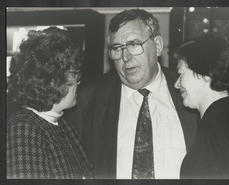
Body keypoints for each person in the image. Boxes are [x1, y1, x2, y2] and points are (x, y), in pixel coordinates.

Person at [64, 9, 199, 179]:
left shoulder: (190, 92)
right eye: (117, 48)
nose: (126, 57)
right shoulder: (88, 98)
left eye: (134, 45)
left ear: (157, 46)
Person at [7, 27, 95, 179]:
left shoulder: (68, 129)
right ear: (51, 79)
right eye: (74, 74)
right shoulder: (23, 128)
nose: (78, 82)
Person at [173, 34, 229, 179]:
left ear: (205, 73)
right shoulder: (223, 117)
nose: (176, 84)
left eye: (180, 74)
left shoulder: (224, 121)